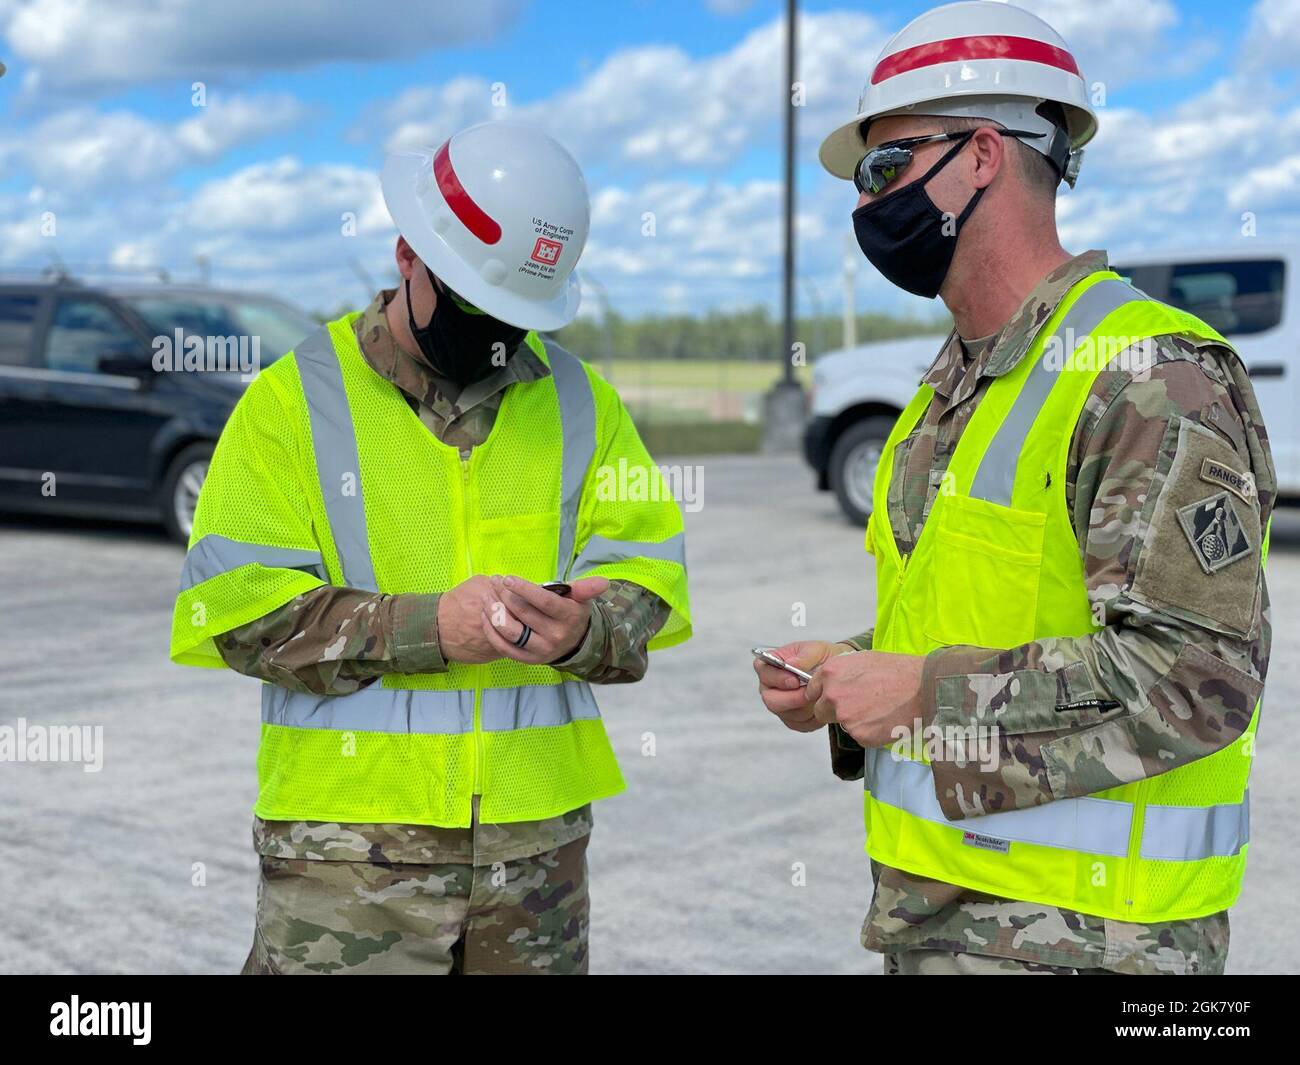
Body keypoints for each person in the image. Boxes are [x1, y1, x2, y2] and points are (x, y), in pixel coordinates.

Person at [756, 1, 1272, 975]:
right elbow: (980, 617)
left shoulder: (1148, 372)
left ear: (982, 156)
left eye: (885, 167)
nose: (865, 204)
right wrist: (850, 673)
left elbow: (1197, 677)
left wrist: (919, 694)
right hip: (941, 921)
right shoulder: (955, 381)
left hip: (1097, 943)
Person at [171, 120, 690, 974]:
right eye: (471, 302)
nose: (491, 329)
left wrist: (588, 631)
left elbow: (646, 575)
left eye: (512, 314)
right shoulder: (293, 401)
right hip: (348, 860)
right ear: (407, 253)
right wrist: (429, 628)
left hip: (535, 856)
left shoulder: (580, 401)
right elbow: (238, 613)